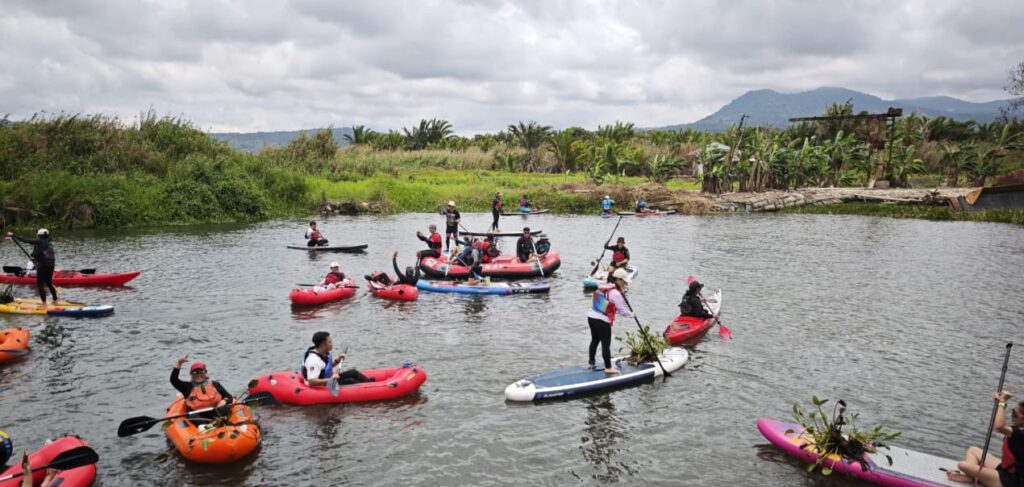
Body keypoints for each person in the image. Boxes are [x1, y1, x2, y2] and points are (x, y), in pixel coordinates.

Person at [946, 390, 1024, 486]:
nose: (1012, 416)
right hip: (1008, 470)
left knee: (962, 465)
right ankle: (973, 476)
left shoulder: (1020, 433)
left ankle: (975, 477)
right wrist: (1000, 401)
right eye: (1012, 412)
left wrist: (1002, 402)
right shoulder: (1018, 430)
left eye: (1014, 414)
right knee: (973, 450)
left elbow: (999, 426)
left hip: (1012, 482)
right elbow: (1002, 425)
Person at [587, 268, 634, 375]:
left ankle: (591, 363)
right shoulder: (615, 293)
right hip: (602, 320)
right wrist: (632, 315)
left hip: (591, 316)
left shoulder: (606, 285)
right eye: (624, 282)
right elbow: (622, 311)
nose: (625, 284)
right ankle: (608, 368)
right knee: (606, 344)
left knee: (595, 340)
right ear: (618, 280)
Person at [302, 331, 372, 387]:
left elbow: (325, 368)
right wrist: (331, 379)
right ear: (323, 345)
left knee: (353, 372)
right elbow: (312, 382)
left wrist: (337, 360)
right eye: (330, 342)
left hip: (328, 378)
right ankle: (369, 389)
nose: (332, 344)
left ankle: (369, 384)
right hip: (321, 385)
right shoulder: (314, 360)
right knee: (351, 381)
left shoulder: (323, 352)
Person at [7, 230, 57, 306]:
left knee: (40, 284)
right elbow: (41, 253)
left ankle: (44, 303)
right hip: (51, 265)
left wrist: (14, 235)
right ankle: (55, 300)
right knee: (49, 283)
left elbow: (26, 240)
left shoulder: (39, 241)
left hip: (43, 265)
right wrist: (35, 259)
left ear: (40, 236)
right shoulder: (49, 242)